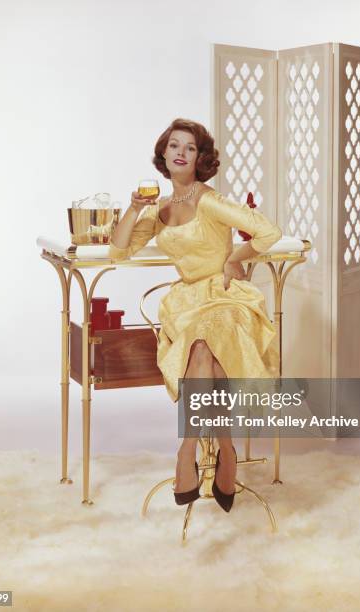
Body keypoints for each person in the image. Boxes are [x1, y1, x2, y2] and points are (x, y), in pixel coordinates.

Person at [109, 118, 282, 513]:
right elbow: (119, 251)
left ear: (199, 158)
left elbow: (267, 232)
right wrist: (134, 210)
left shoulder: (209, 200)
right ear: (164, 154)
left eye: (189, 147)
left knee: (204, 347)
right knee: (203, 352)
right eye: (174, 146)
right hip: (185, 302)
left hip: (225, 298)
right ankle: (225, 449)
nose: (180, 153)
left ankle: (187, 450)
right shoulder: (160, 208)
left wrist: (235, 258)